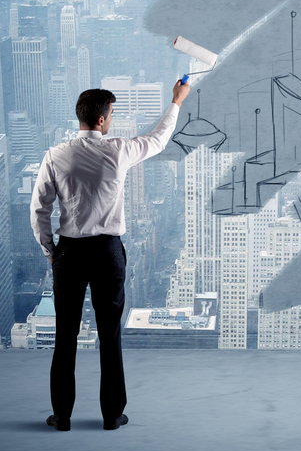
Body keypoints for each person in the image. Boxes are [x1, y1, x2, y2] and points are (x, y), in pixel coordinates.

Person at [31, 79, 190, 431]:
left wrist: (50, 251)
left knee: (65, 335)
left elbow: (38, 210)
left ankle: (62, 417)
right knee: (110, 334)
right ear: (102, 120)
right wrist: (176, 100)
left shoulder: (55, 156)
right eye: (112, 114)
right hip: (107, 252)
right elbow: (159, 140)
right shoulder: (118, 150)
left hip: (69, 253)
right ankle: (111, 416)